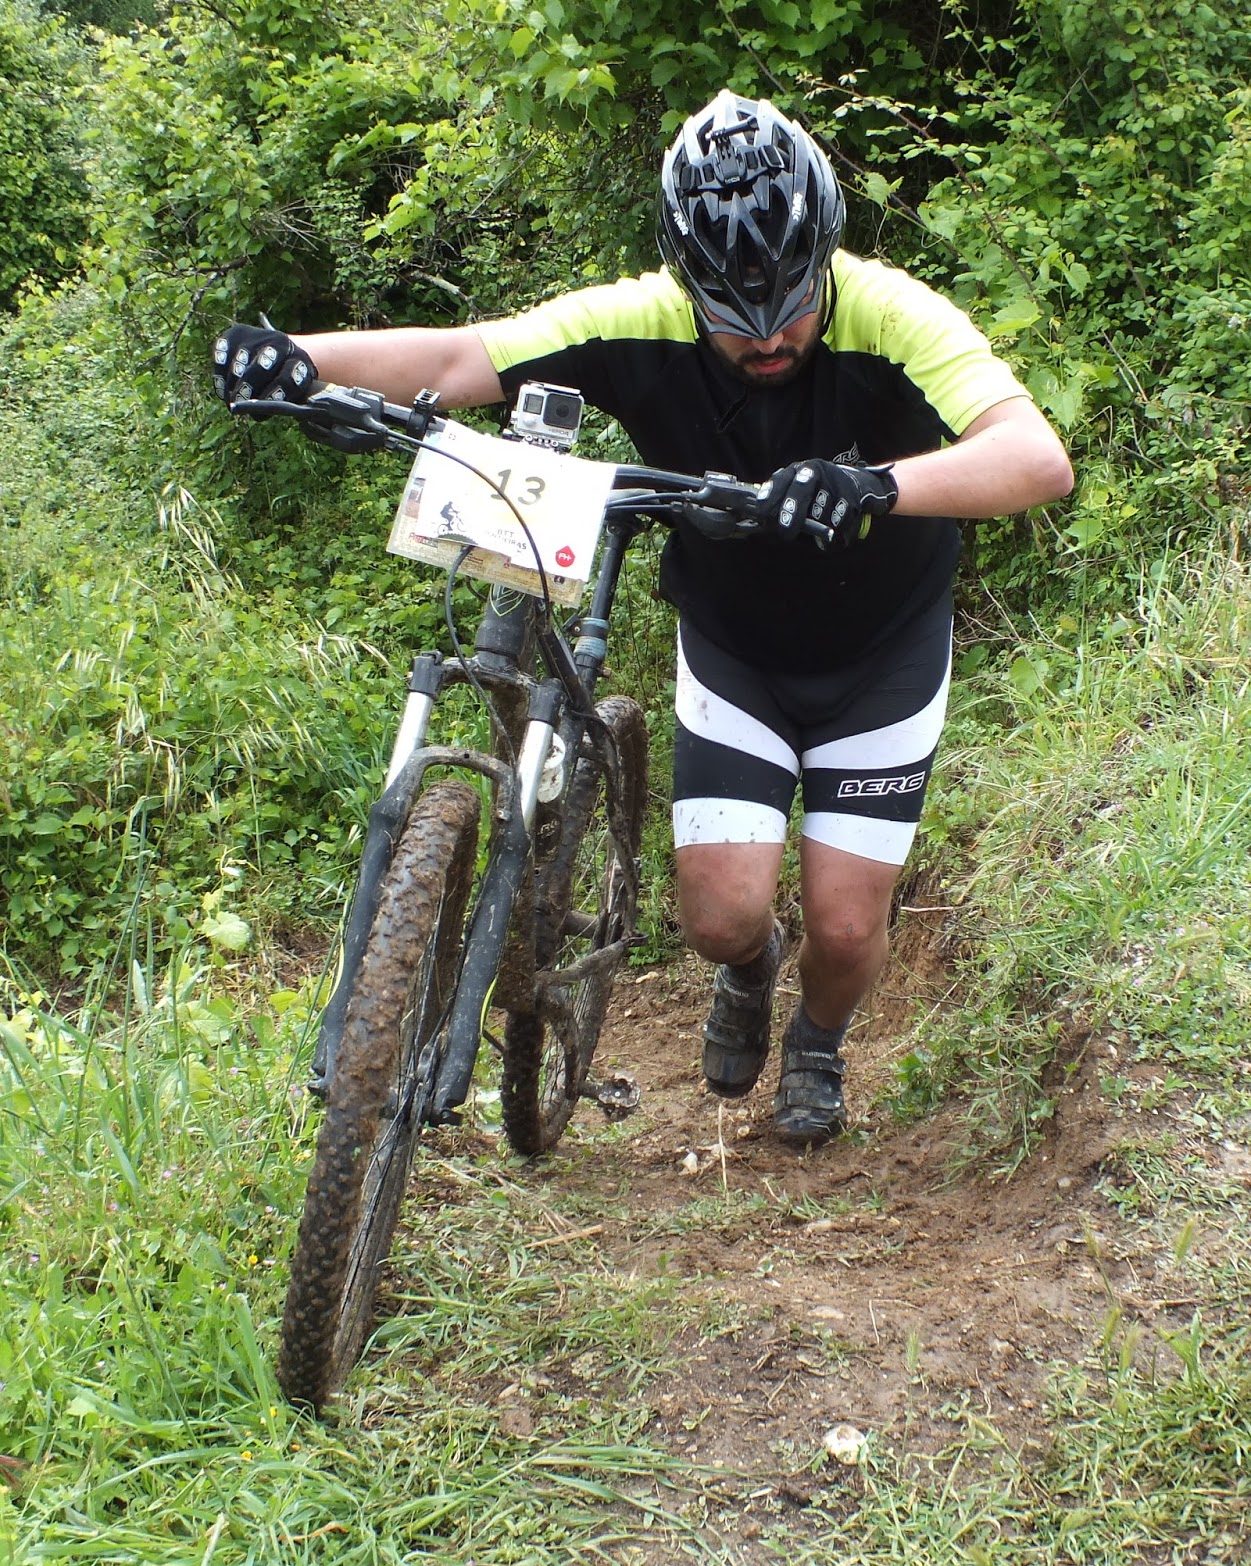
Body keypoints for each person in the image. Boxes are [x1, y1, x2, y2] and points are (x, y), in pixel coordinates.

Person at [213, 89, 1073, 1147]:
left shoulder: (892, 313)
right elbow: (457, 360)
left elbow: (1035, 457)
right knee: (720, 918)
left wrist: (876, 486)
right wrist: (298, 356)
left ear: (825, 262)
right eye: (730, 317)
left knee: (848, 930)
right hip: (737, 650)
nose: (767, 337)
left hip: (880, 655)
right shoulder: (637, 317)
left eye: (792, 308)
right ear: (683, 283)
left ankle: (816, 1040)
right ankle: (750, 971)